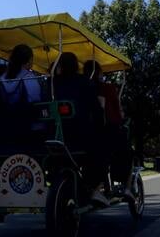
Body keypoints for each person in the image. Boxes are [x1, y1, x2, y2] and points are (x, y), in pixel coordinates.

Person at [53, 53, 108, 206]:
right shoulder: (84, 82)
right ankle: (95, 188)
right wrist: (100, 124)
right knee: (102, 149)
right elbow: (96, 110)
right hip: (80, 134)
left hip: (57, 133)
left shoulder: (53, 83)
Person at [83, 60, 133, 200]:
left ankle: (102, 186)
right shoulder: (107, 88)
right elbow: (116, 112)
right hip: (106, 130)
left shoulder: (83, 88)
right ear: (98, 73)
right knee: (126, 151)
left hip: (83, 131)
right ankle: (127, 188)